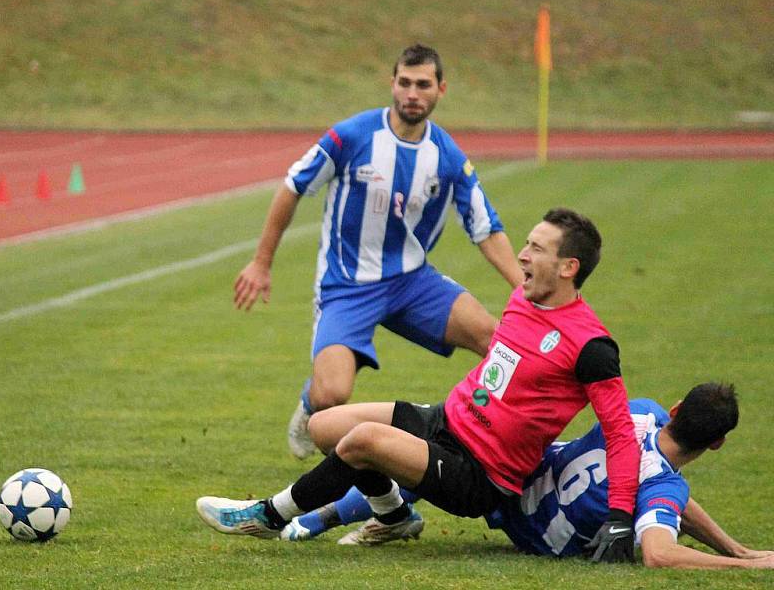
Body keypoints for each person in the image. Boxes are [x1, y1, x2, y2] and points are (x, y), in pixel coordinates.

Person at [199, 208, 641, 563]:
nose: (523, 256)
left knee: (364, 440)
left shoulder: (591, 347)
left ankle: (267, 516)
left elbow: (620, 434)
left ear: (569, 267)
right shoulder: (522, 299)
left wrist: (621, 519)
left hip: (479, 472)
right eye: (526, 243)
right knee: (323, 427)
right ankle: (393, 517)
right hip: (444, 421)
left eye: (537, 249)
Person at [233, 44, 524, 459]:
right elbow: (293, 186)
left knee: (499, 343)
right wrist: (262, 262)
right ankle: (310, 401)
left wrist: (526, 292)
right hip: (347, 285)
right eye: (404, 83)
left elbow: (485, 229)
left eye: (423, 85)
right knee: (333, 393)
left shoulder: (448, 157)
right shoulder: (351, 137)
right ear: (392, 84)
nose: (412, 93)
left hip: (412, 282)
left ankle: (486, 439)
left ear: (441, 89)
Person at [279, 383, 774, 570]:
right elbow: (660, 551)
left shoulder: (640, 412)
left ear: (677, 408)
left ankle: (311, 519)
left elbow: (661, 496)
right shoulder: (663, 489)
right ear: (717, 443)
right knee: (420, 462)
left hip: (527, 472)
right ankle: (318, 519)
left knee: (418, 459)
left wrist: (734, 547)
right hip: (531, 522)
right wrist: (747, 564)